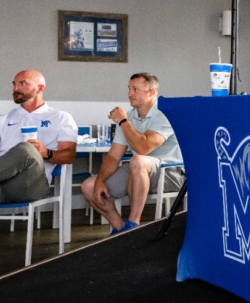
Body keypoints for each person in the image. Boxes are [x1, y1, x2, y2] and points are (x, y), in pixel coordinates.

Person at [81, 73, 184, 235]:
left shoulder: (165, 113)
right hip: (139, 170)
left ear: (151, 92)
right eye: (129, 89)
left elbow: (143, 147)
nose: (130, 94)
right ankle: (121, 230)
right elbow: (114, 156)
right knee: (88, 186)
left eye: (135, 89)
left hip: (170, 173)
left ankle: (133, 224)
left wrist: (122, 122)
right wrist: (100, 180)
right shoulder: (130, 116)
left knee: (138, 160)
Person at [0, 70, 77, 203]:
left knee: (27, 149)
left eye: (23, 83)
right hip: (3, 184)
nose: (16, 88)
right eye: (14, 84)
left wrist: (46, 153)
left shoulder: (61, 118)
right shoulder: (4, 119)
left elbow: (69, 156)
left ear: (40, 88)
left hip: (31, 184)